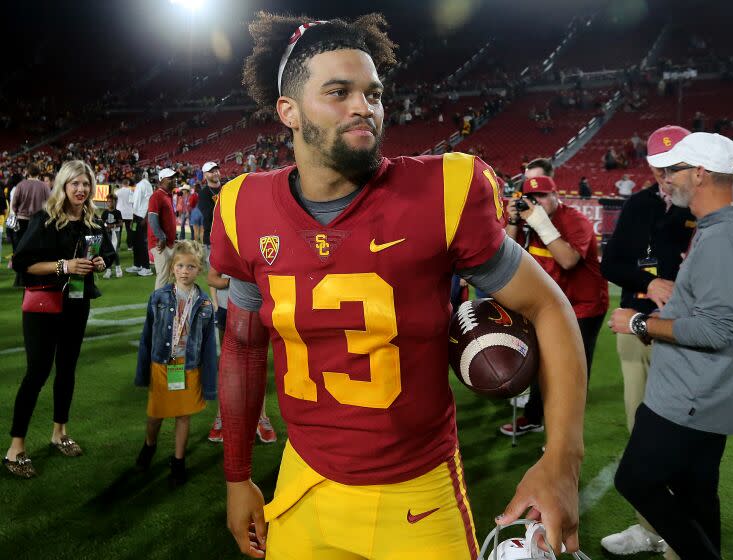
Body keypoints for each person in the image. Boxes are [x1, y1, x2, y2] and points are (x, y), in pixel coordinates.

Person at [212, 13, 587, 559]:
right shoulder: (243, 206)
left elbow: (551, 310)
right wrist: (237, 474)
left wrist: (561, 463)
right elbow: (242, 344)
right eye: (338, 92)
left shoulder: (441, 191)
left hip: (418, 488)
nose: (364, 106)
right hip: (304, 479)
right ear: (288, 112)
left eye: (374, 93)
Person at [609, 132, 733, 559]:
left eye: (673, 170)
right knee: (696, 493)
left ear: (700, 173)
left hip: (690, 395)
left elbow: (715, 330)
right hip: (708, 393)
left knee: (635, 480)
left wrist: (640, 322)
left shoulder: (725, 238)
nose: (664, 180)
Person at [599, 125, 694, 557]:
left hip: (688, 335)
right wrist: (647, 282)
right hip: (636, 326)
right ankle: (648, 526)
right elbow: (612, 263)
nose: (664, 175)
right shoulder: (638, 205)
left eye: (674, 166)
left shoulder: (707, 208)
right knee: (640, 427)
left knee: (683, 435)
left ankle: (683, 537)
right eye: (659, 166)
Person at [3, 160, 116, 479]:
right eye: (74, 184)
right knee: (37, 372)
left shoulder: (94, 222)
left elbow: (107, 256)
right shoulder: (45, 219)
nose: (81, 189)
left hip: (77, 303)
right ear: (63, 186)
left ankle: (59, 433)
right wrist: (63, 266)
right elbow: (23, 263)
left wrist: (99, 263)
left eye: (85, 184)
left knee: (67, 368)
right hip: (43, 306)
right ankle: (15, 447)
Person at [499, 175, 608, 436]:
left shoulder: (575, 220)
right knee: (540, 362)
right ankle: (534, 417)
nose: (537, 202)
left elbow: (568, 260)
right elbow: (506, 256)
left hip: (583, 305)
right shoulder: (527, 221)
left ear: (556, 195)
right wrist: (514, 221)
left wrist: (540, 222)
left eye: (544, 196)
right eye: (532, 198)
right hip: (550, 304)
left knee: (570, 370)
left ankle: (566, 436)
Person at [134, 241, 217, 485]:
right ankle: (149, 445)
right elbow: (146, 337)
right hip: (162, 365)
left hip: (188, 367)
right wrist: (143, 372)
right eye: (180, 265)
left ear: (199, 268)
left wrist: (209, 382)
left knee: (183, 416)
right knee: (155, 414)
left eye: (191, 266)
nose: (184, 270)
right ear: (172, 267)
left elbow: (209, 348)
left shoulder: (204, 305)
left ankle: (178, 460)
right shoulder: (158, 297)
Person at [206, 266, 277, 444]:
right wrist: (236, 283)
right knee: (227, 365)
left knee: (258, 362)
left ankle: (261, 417)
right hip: (226, 307)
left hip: (257, 307)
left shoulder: (262, 239)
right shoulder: (224, 239)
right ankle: (222, 416)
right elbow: (212, 279)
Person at [147, 168, 178, 290]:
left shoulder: (167, 196)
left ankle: (166, 301)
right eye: (170, 178)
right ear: (162, 180)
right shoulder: (157, 196)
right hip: (160, 243)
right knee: (163, 275)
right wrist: (161, 237)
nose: (174, 180)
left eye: (174, 177)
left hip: (168, 243)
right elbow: (152, 219)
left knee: (170, 275)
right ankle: (158, 305)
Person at [10, 163, 49, 252]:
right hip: (39, 220)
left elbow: (14, 203)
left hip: (22, 219)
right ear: (38, 173)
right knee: (36, 247)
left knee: (21, 245)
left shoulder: (21, 185)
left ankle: (20, 264)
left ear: (28, 172)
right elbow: (50, 204)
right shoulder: (44, 186)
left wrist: (16, 212)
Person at [127, 171, 153, 277]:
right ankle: (137, 265)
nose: (134, 176)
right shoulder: (144, 184)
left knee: (141, 243)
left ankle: (146, 267)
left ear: (140, 175)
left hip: (140, 217)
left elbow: (142, 202)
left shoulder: (142, 185)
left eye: (135, 174)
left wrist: (143, 217)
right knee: (137, 242)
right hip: (140, 216)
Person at [197, 161, 221, 261]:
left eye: (216, 170)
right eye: (211, 172)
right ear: (205, 175)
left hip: (230, 236)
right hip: (212, 237)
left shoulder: (227, 188)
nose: (215, 173)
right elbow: (208, 215)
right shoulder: (203, 193)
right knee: (214, 271)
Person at [100, 192, 124, 278]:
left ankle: (118, 268)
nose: (110, 203)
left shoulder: (118, 212)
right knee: (107, 251)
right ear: (107, 202)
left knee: (115, 251)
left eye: (112, 201)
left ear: (115, 202)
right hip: (107, 233)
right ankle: (108, 270)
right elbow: (101, 223)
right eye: (109, 201)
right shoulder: (104, 212)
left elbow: (121, 223)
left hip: (115, 232)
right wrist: (105, 227)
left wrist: (113, 226)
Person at [115, 178, 134, 250]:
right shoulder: (131, 191)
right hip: (129, 213)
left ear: (122, 184)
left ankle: (118, 246)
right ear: (128, 183)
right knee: (129, 231)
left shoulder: (117, 192)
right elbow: (132, 202)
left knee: (118, 230)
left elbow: (115, 201)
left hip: (119, 212)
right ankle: (129, 246)